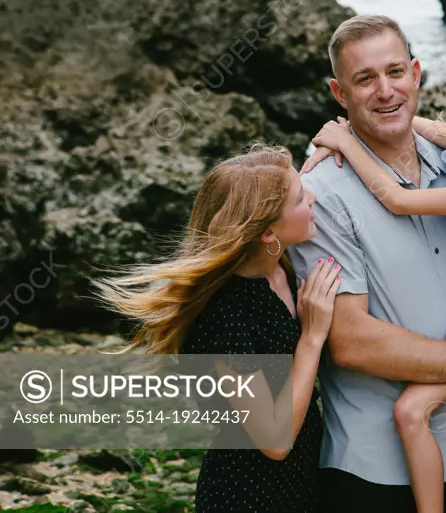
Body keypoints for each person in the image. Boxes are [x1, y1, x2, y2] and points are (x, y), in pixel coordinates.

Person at [287, 15, 446, 513]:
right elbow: (350, 339)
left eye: (396, 72)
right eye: (364, 79)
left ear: (417, 73)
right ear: (339, 92)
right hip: (374, 469)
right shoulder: (322, 195)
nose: (385, 90)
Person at [93, 144, 337, 513]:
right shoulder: (224, 317)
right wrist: (312, 338)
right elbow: (274, 440)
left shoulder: (278, 267)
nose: (313, 195)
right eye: (301, 196)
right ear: (267, 232)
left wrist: (344, 138)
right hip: (248, 495)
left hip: (303, 481)